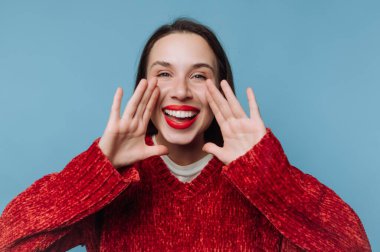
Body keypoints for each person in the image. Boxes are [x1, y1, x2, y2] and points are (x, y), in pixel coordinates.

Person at [0, 18, 371, 251]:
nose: (180, 91)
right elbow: (9, 240)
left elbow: (353, 246)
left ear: (220, 89)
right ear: (143, 86)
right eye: (164, 73)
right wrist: (97, 170)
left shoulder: (259, 185)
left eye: (198, 75)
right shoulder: (113, 185)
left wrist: (270, 177)